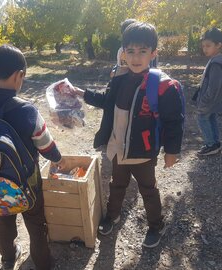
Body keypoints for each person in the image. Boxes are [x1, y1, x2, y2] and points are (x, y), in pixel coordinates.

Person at [74, 22, 184, 248]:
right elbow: (107, 101)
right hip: (117, 147)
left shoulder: (163, 86)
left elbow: (174, 121)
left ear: (153, 53)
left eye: (143, 51)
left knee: (148, 189)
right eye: (130, 51)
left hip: (143, 151)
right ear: (123, 52)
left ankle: (156, 225)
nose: (136, 57)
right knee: (117, 184)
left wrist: (172, 152)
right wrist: (82, 93)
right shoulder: (120, 77)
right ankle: (112, 216)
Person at [0, 44, 65, 270]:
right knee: (36, 223)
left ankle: (8, 257)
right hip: (26, 182)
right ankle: (42, 262)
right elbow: (45, 144)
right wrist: (57, 158)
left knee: (2, 219)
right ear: (20, 75)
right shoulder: (27, 110)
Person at [196, 27, 222, 156]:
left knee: (202, 118)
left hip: (209, 101)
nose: (205, 49)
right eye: (203, 46)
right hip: (212, 101)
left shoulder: (216, 63)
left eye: (208, 46)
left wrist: (204, 101)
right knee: (211, 119)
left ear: (219, 45)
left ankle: (211, 144)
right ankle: (215, 143)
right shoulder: (216, 60)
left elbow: (214, 87)